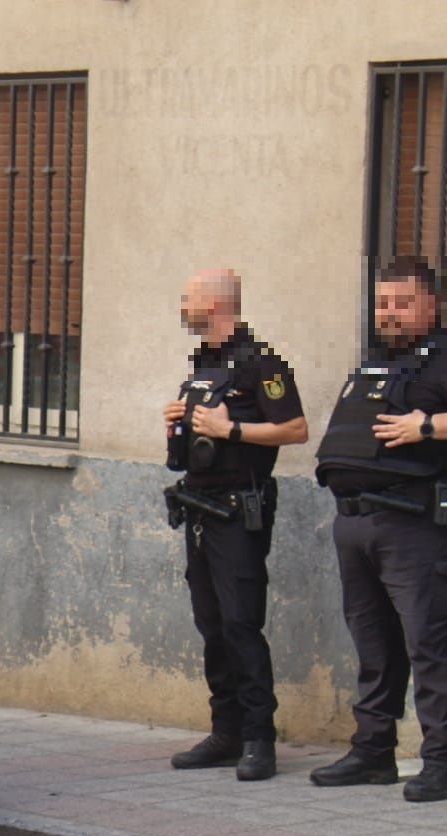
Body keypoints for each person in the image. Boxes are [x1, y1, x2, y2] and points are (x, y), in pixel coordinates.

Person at [160, 269, 308, 782]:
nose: (183, 304)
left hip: (237, 511)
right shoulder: (206, 363)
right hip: (199, 509)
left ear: (214, 304)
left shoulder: (262, 363)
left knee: (242, 624)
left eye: (188, 296)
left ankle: (258, 738)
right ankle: (226, 731)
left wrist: (231, 428)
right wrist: (179, 421)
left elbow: (295, 428)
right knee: (212, 625)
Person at [310, 256, 447, 803]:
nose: (389, 313)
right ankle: (373, 752)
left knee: (429, 647)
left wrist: (429, 425)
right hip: (355, 522)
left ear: (432, 305)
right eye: (383, 303)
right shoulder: (378, 362)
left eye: (403, 303)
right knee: (374, 645)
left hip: (413, 527)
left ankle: (439, 760)